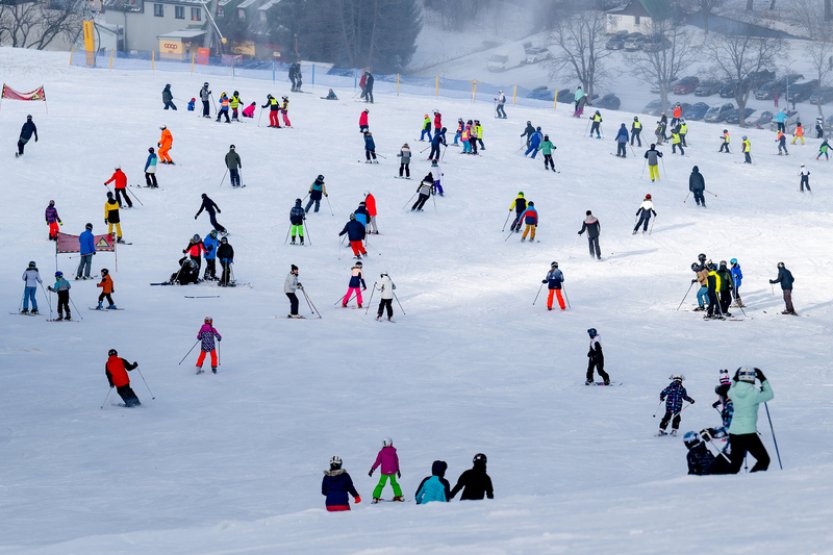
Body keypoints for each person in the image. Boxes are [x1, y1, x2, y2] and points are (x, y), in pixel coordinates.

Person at [727, 367, 774, 473]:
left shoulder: (733, 392)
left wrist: (734, 378)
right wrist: (763, 379)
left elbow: (729, 390)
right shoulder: (754, 393)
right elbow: (769, 395)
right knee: (764, 460)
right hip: (748, 433)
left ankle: (727, 487)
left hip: (734, 432)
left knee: (735, 464)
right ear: (752, 377)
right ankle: (751, 481)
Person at [368, 438, 403, 502]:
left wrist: (372, 469)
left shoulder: (381, 452)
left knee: (381, 484)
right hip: (392, 471)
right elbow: (396, 462)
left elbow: (377, 462)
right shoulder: (394, 452)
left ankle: (375, 497)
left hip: (384, 472)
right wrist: (398, 470)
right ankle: (399, 496)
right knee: (394, 483)